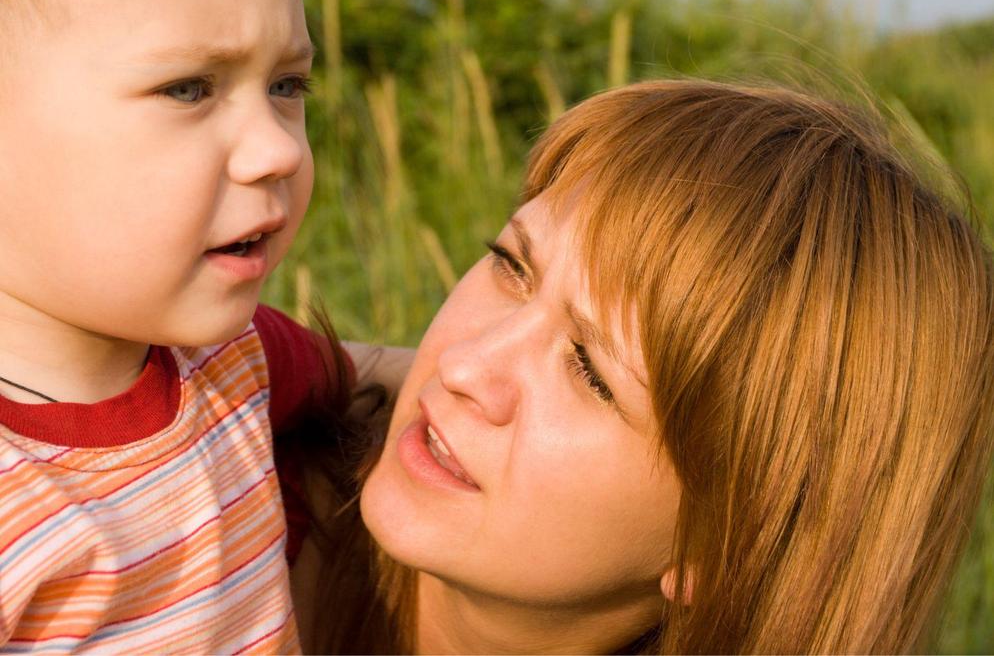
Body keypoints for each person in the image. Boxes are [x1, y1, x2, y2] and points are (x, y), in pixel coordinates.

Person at [290, 80, 994, 654]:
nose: (465, 365)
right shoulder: (216, 501)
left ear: (726, 549)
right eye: (511, 266)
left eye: (592, 373)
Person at [0, 0, 364, 651]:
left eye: (287, 85)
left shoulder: (233, 358)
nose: (278, 148)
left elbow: (390, 380)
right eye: (188, 88)